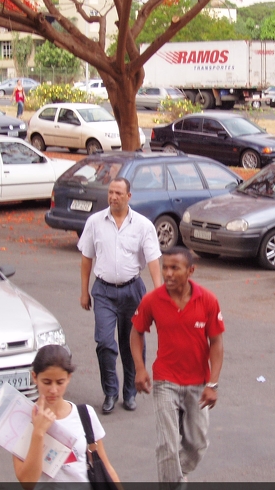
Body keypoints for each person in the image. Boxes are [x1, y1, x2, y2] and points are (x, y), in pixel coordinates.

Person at [130, 247, 224, 485]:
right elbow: (136, 332)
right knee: (167, 446)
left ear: (190, 271)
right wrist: (140, 368)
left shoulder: (208, 300)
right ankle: (173, 482)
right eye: (165, 267)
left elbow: (216, 342)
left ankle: (175, 476)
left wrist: (212, 383)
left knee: (197, 444)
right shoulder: (152, 299)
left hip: (198, 383)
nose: (168, 274)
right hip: (165, 381)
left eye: (175, 268)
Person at [78, 177, 163, 414]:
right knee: (105, 342)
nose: (113, 197)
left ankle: (130, 392)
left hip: (132, 291)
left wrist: (158, 295)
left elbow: (154, 261)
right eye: (110, 192)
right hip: (103, 291)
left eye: (118, 193)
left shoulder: (143, 225)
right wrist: (84, 291)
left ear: (128, 196)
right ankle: (110, 392)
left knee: (131, 343)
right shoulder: (95, 222)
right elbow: (86, 259)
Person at [13, 344, 120, 489]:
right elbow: (27, 482)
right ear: (34, 377)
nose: (53, 390)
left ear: (68, 378)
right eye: (46, 382)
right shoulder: (22, 419)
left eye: (60, 382)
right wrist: (38, 432)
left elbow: (105, 466)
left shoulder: (85, 414)